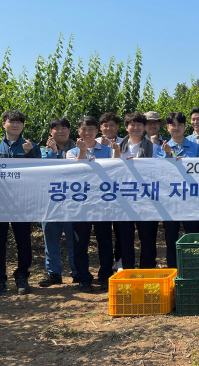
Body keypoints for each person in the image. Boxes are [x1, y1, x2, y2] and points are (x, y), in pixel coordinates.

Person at [0, 110, 41, 298]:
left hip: (22, 203)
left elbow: (40, 173)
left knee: (23, 241)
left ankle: (22, 277)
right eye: (12, 121)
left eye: (19, 122)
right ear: (4, 123)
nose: (16, 125)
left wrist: (29, 155)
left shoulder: (31, 146)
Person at [67, 116, 118, 292]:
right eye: (83, 129)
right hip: (80, 205)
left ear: (97, 131)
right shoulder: (71, 152)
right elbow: (74, 173)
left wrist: (116, 153)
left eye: (91, 129)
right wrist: (81, 153)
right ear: (78, 132)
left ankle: (105, 275)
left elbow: (116, 170)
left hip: (103, 204)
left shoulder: (107, 150)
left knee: (104, 241)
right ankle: (84, 277)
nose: (87, 133)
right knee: (80, 243)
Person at [157, 112, 199, 268]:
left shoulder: (197, 148)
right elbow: (158, 172)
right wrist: (169, 155)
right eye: (173, 125)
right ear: (168, 127)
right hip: (170, 200)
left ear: (185, 127)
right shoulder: (161, 149)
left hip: (191, 199)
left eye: (179, 125)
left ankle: (193, 268)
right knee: (171, 238)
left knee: (192, 236)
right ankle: (173, 269)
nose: (176, 128)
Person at [114, 112, 158, 270]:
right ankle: (127, 268)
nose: (136, 127)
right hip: (124, 197)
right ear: (126, 128)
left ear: (144, 127)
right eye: (132, 124)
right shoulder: (117, 147)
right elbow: (112, 170)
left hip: (146, 198)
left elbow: (160, 170)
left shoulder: (153, 147)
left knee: (147, 235)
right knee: (125, 235)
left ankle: (147, 267)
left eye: (139, 124)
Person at [39, 117, 78, 287]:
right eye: (56, 128)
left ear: (69, 131)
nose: (60, 131)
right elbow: (44, 172)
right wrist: (53, 152)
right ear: (50, 132)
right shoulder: (41, 151)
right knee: (51, 240)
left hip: (73, 203)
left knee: (74, 240)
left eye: (64, 128)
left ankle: (77, 272)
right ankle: (53, 273)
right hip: (50, 204)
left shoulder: (79, 150)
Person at [97, 112, 124, 271]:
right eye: (105, 125)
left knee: (121, 230)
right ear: (101, 127)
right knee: (104, 233)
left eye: (112, 125)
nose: (108, 128)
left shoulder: (124, 142)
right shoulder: (92, 143)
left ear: (118, 127)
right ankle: (105, 267)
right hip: (101, 195)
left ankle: (120, 260)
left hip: (121, 193)